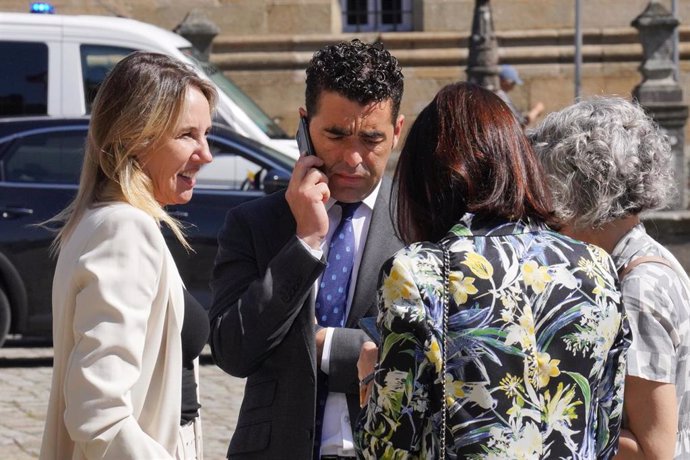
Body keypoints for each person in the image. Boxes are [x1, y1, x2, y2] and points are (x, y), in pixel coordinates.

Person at [355, 82, 631, 459]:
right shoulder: (596, 266)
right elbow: (605, 431)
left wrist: (372, 377)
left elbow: (386, 448)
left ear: (427, 182)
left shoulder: (420, 273)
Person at [208, 39, 405, 459]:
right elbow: (234, 352)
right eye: (335, 135)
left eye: (372, 139)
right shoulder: (256, 224)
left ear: (397, 131)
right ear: (304, 125)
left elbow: (428, 353)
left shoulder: (418, 226)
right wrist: (305, 242)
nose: (353, 158)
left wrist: (325, 345)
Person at [39, 51, 216, 459]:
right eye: (188, 134)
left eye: (206, 134)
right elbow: (97, 411)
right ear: (136, 137)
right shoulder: (124, 230)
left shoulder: (102, 220)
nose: (206, 154)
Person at [529, 96, 690, 459]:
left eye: (545, 184)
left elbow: (654, 451)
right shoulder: (642, 262)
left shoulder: (637, 287)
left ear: (577, 189)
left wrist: (538, 417)